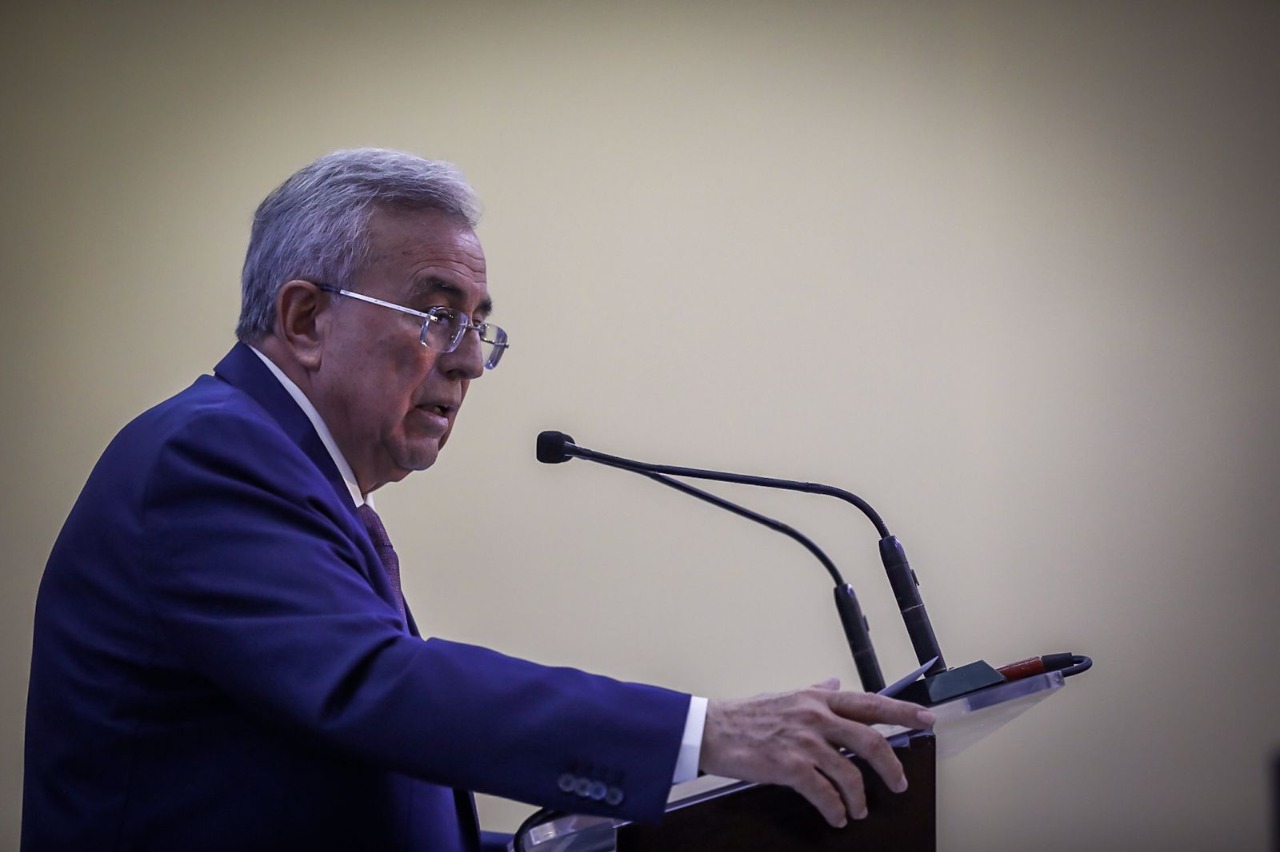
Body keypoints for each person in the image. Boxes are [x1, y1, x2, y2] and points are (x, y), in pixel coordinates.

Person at [22, 148, 934, 852]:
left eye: (478, 325)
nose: (468, 360)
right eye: (437, 315)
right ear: (305, 320)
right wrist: (711, 732)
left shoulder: (290, 473)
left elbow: (336, 780)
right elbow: (373, 687)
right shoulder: (207, 455)